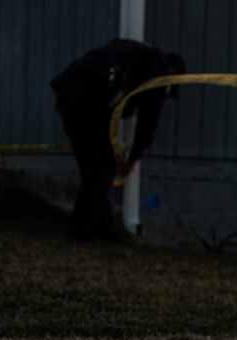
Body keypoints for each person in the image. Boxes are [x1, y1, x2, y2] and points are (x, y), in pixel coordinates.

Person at [50, 39, 184, 241]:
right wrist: (131, 160)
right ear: (173, 74)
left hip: (68, 90)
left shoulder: (133, 52)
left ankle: (104, 229)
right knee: (102, 167)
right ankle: (79, 233)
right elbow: (147, 125)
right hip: (90, 99)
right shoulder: (159, 73)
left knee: (92, 167)